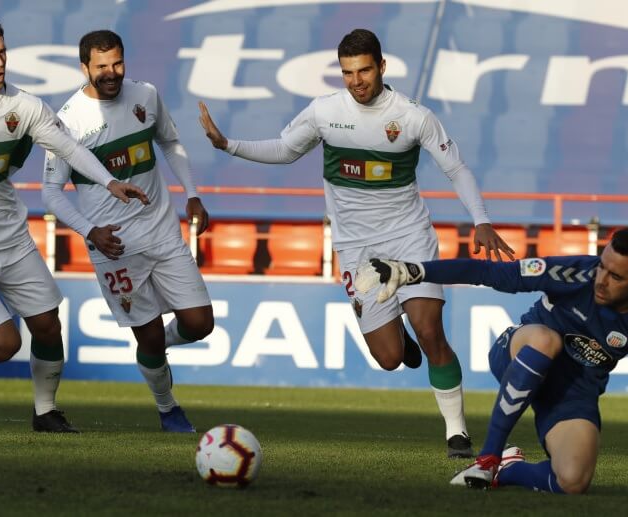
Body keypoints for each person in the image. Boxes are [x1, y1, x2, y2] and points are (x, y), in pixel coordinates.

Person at [198, 28, 514, 457]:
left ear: (382, 67)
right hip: (356, 249)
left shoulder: (412, 116)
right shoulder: (326, 112)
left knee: (429, 329)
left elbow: (456, 168)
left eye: (364, 70)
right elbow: (285, 150)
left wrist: (481, 220)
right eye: (348, 72)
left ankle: (456, 432)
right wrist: (227, 144)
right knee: (387, 357)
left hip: (408, 238)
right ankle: (400, 342)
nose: (356, 81)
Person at [355, 226, 628, 493]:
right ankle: (487, 458)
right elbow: (491, 273)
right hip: (520, 352)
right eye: (602, 266)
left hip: (572, 393)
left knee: (573, 481)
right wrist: (414, 271)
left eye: (616, 277)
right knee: (547, 339)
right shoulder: (574, 273)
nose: (601, 280)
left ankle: (508, 468)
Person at [0, 17, 149, 433]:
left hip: (12, 237)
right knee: (3, 345)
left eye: (2, 52)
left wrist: (109, 182)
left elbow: (69, 147)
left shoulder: (25, 106)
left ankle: (45, 412)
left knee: (48, 323)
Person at [42, 30, 214, 433]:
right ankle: (168, 409)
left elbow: (171, 143)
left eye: (117, 63)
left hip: (162, 231)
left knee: (200, 323)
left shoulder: (146, 95)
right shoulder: (66, 122)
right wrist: (90, 231)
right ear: (84, 67)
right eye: (101, 66)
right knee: (149, 336)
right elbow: (50, 192)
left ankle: (155, 347)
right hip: (115, 246)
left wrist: (192, 194)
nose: (111, 73)